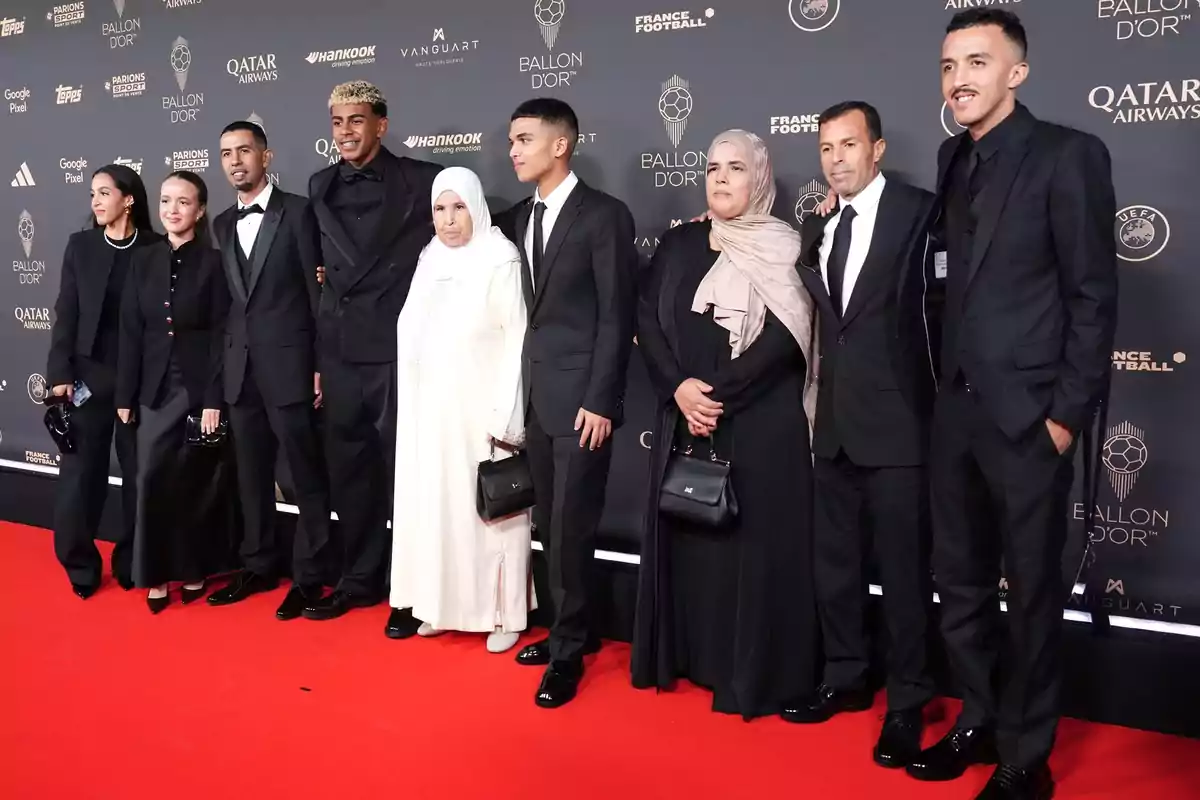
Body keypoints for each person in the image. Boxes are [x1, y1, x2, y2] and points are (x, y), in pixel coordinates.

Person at [908, 11, 1118, 799]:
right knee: (958, 582)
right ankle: (977, 719)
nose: (958, 78)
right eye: (948, 65)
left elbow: (1093, 295)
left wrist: (1065, 415)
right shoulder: (950, 157)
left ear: (1017, 73)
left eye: (976, 62)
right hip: (955, 415)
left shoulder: (1069, 155)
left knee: (1030, 592)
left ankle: (1026, 756)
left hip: (1031, 418)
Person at [630, 129, 820, 719]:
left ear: (759, 177)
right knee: (694, 542)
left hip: (761, 425)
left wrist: (717, 394)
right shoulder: (681, 243)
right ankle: (689, 657)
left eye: (735, 167)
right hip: (688, 419)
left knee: (754, 550)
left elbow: (791, 336)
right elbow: (647, 319)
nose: (720, 177)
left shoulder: (787, 247)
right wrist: (680, 389)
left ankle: (750, 674)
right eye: (712, 167)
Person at [781, 101, 938, 769]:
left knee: (904, 574)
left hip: (903, 424)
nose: (836, 158)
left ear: (876, 149)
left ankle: (907, 702)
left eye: (849, 145)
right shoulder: (819, 229)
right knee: (835, 567)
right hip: (834, 424)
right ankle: (846, 677)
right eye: (825, 148)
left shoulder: (920, 211)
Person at [506, 98, 637, 708]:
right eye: (511, 140)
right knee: (548, 527)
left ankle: (565, 654)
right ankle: (570, 633)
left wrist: (602, 399)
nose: (513, 150)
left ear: (561, 145)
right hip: (535, 400)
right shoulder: (515, 218)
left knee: (572, 529)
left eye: (524, 139)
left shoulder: (604, 215)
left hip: (584, 402)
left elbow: (617, 314)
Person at [303, 81, 442, 625]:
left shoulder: (423, 181)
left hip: (398, 351)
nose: (344, 133)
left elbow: (477, 227)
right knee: (351, 475)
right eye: (337, 122)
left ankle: (411, 592)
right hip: (339, 353)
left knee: (405, 476)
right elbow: (314, 273)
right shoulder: (317, 185)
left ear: (381, 125)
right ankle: (358, 582)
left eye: (355, 121)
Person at [388, 166, 532, 653]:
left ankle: (502, 615)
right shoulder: (429, 258)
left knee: (491, 517)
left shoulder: (500, 258)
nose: (449, 221)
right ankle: (441, 605)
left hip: (481, 415)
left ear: (476, 206)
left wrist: (507, 418)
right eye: (439, 209)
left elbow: (517, 342)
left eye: (459, 208)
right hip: (430, 416)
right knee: (437, 512)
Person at [204, 120, 332, 621]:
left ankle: (310, 576)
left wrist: (319, 364)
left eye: (244, 151)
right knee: (251, 477)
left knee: (304, 476)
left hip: (291, 365)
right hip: (241, 370)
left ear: (266, 156)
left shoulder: (299, 213)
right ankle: (258, 564)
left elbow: (316, 295)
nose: (235, 161)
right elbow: (228, 309)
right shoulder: (219, 223)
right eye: (226, 154)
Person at [117, 170, 237, 614]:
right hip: (152, 389)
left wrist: (212, 400)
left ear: (200, 210)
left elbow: (222, 334)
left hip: (195, 386)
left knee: (191, 484)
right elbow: (130, 332)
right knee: (150, 480)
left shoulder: (213, 262)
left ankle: (193, 569)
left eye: (183, 202)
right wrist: (125, 397)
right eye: (166, 200)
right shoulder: (142, 260)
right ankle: (153, 575)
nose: (172, 209)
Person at [46, 164, 162, 599]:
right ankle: (80, 565)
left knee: (140, 474)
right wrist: (60, 374)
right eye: (91, 194)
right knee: (80, 476)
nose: (94, 201)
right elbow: (66, 313)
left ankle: (134, 561)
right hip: (87, 377)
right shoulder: (81, 247)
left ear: (128, 199)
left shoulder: (155, 247)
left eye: (102, 193)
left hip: (140, 378)